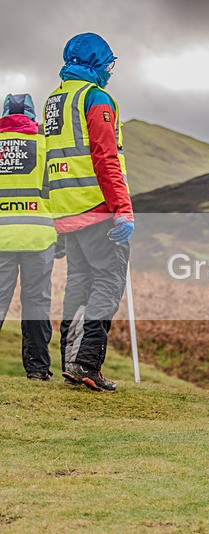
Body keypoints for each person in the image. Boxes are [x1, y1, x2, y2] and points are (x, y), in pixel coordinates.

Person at [44, 33, 134, 392]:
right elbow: (104, 156)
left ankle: (70, 360)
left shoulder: (56, 100)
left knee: (79, 284)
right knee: (108, 284)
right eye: (108, 63)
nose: (111, 70)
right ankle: (86, 362)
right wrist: (123, 208)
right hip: (98, 207)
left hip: (67, 210)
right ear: (97, 61)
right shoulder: (95, 97)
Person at [0, 94, 58, 380]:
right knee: (36, 302)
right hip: (39, 236)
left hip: (1, 238)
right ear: (34, 117)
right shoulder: (44, 145)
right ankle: (37, 369)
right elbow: (57, 193)